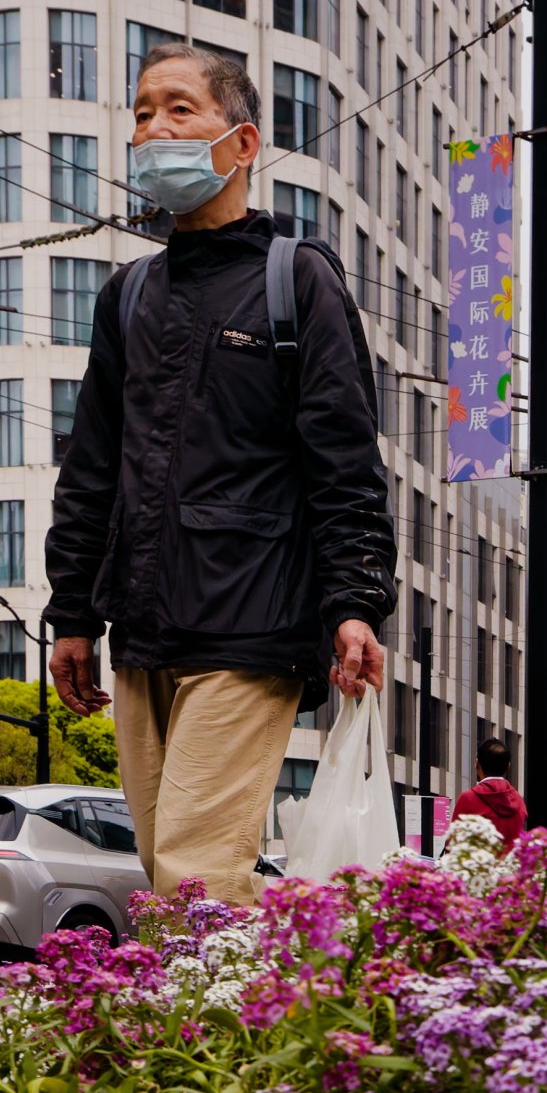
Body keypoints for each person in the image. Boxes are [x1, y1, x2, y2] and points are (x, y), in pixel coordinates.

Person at [44, 48, 396, 908]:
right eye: (141, 113)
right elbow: (92, 464)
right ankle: (210, 1029)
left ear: (241, 144)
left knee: (198, 864)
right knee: (167, 870)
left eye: (178, 110)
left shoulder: (296, 279)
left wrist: (354, 601)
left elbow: (345, 459)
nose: (152, 130)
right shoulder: (128, 294)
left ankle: (207, 1029)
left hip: (253, 622)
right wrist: (74, 613)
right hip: (145, 626)